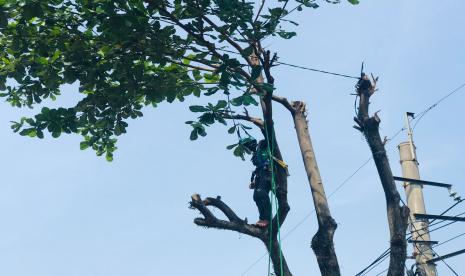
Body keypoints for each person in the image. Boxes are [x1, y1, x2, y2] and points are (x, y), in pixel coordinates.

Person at [244, 139, 272, 228]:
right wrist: (253, 181)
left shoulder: (266, 151)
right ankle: (262, 217)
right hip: (260, 174)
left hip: (267, 173)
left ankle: (267, 218)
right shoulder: (257, 153)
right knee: (256, 196)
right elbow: (257, 167)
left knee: (262, 193)